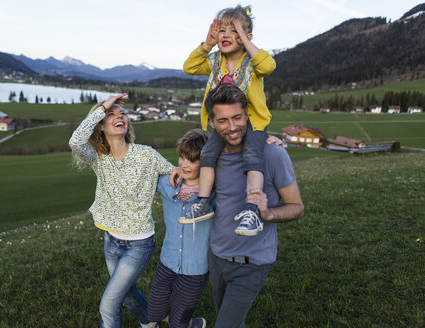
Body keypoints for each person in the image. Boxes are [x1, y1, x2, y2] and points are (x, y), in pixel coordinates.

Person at [69, 94, 174, 328]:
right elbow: (76, 142)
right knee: (126, 295)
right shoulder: (98, 158)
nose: (119, 116)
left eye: (122, 113)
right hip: (111, 240)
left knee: (108, 305)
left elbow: (177, 172)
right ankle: (151, 323)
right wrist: (103, 105)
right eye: (111, 114)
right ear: (101, 126)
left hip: (138, 243)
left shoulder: (146, 155)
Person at [204, 84, 304, 328]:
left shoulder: (273, 154)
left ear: (247, 114)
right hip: (217, 258)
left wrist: (268, 213)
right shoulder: (210, 157)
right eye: (223, 120)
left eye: (237, 117)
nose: (232, 127)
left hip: (251, 264)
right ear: (213, 122)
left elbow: (296, 206)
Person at [181, 4, 276, 237]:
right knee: (207, 155)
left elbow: (269, 65)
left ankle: (252, 210)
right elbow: (189, 67)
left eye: (234, 31)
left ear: (246, 37)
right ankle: (203, 203)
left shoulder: (252, 62)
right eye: (222, 30)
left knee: (252, 158)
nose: (226, 35)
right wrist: (206, 45)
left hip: (251, 122)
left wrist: (246, 41)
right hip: (222, 124)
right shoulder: (214, 61)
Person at [147, 129, 212, 328]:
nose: (184, 164)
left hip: (195, 269)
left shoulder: (213, 193)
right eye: (182, 157)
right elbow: (142, 172)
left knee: (177, 323)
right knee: (154, 311)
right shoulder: (168, 184)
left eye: (191, 160)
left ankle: (184, 324)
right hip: (167, 262)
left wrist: (267, 141)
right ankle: (194, 324)